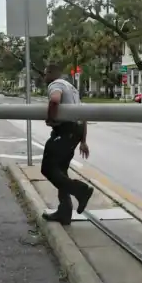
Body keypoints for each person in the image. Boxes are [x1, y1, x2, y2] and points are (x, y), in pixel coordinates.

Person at [39, 64, 93, 225]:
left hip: (64, 131)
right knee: (61, 172)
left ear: (50, 74)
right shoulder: (72, 88)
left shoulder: (55, 85)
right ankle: (65, 212)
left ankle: (81, 190)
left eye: (45, 74)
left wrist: (51, 118)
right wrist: (83, 140)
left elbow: (54, 100)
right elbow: (83, 115)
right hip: (74, 132)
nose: (44, 77)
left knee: (48, 168)